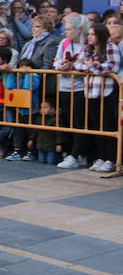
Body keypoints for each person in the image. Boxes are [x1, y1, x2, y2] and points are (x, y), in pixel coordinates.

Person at [73, 23, 120, 173]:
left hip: (106, 92)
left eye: (92, 34)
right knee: (96, 127)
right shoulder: (87, 49)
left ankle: (110, 159)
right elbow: (78, 65)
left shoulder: (111, 47)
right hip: (90, 92)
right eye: (89, 34)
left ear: (100, 35)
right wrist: (91, 66)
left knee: (107, 126)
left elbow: (113, 67)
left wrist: (94, 67)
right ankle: (100, 157)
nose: (89, 37)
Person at [54, 14, 90, 169]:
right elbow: (55, 62)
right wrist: (62, 66)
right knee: (69, 122)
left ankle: (77, 154)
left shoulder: (86, 45)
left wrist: (74, 67)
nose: (66, 32)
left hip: (80, 88)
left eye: (69, 29)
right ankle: (76, 153)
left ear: (78, 30)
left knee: (79, 122)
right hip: (64, 87)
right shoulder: (64, 42)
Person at [3, 58, 40, 161]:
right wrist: (11, 73)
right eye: (21, 66)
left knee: (31, 132)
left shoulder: (35, 76)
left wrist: (28, 74)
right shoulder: (18, 75)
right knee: (18, 131)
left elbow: (28, 88)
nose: (23, 68)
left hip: (31, 110)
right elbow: (9, 86)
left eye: (26, 66)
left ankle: (31, 152)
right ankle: (17, 151)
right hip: (19, 108)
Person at [27, 97, 65, 165]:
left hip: (51, 146)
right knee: (41, 161)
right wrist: (31, 139)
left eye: (45, 107)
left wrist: (59, 144)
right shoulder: (39, 119)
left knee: (50, 162)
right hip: (41, 145)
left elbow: (59, 133)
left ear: (53, 109)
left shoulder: (56, 119)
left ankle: (63, 156)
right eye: (41, 107)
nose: (42, 110)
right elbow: (35, 130)